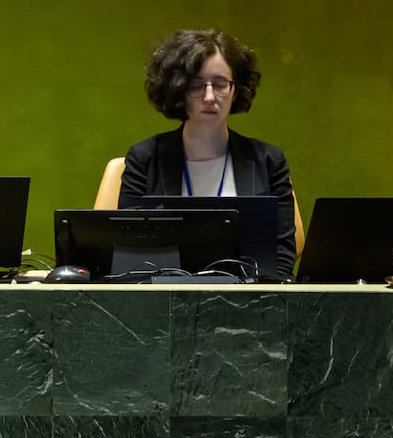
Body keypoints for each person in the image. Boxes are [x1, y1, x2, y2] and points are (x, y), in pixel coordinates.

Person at [118, 29, 296, 279]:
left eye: (221, 84)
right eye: (196, 85)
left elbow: (281, 256)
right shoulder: (143, 158)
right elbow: (129, 250)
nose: (210, 96)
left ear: (236, 90)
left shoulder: (268, 161)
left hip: (251, 305)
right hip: (162, 301)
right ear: (178, 90)